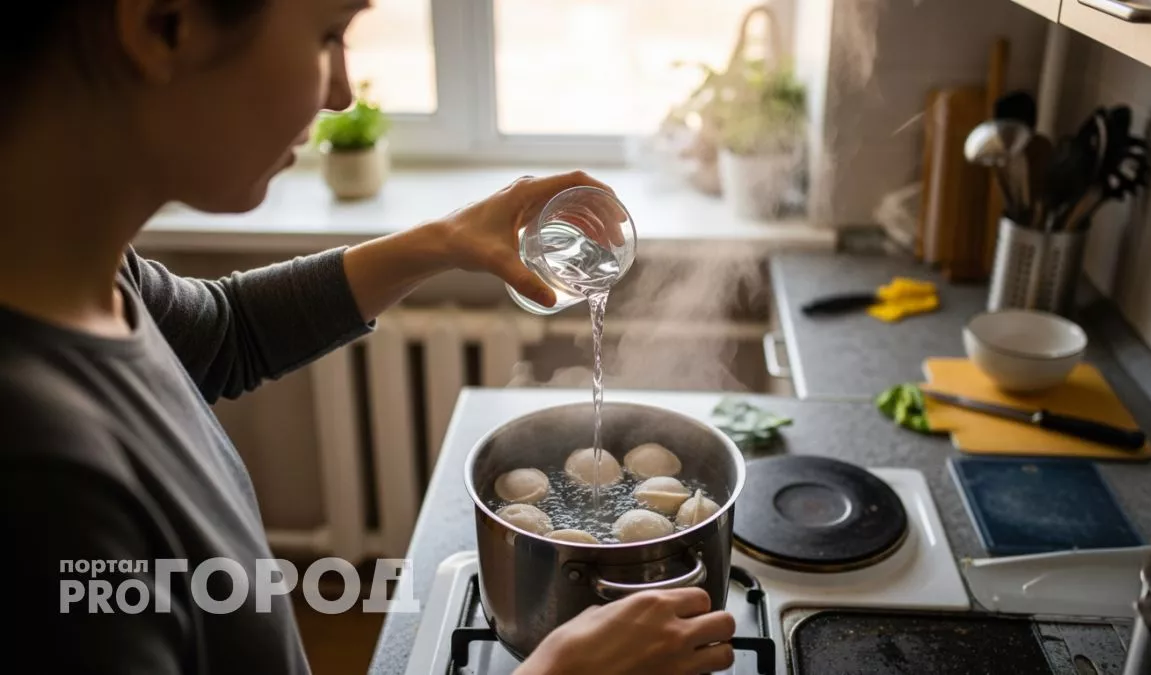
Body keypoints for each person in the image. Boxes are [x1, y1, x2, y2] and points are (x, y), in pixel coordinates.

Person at [0, 1, 737, 674]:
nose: (342, 94)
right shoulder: (39, 473)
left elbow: (224, 334)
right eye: (329, 35)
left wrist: (445, 239)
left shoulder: (93, 276)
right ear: (164, 26)